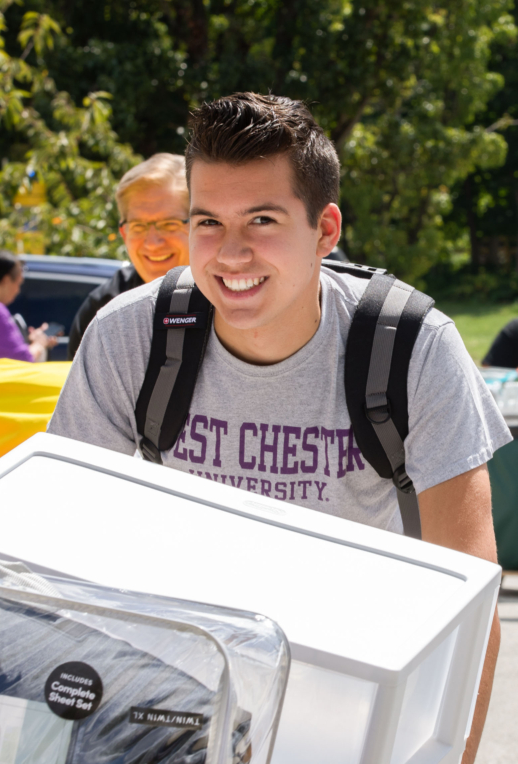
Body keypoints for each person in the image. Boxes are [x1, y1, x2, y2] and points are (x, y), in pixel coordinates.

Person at [49, 93, 511, 763]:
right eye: (208, 221)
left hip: (344, 700)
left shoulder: (410, 347)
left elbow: (470, 598)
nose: (229, 254)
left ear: (325, 230)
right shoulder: (132, 336)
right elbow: (59, 555)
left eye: (261, 220)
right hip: (168, 699)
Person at [67, 153, 189, 359]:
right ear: (124, 233)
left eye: (170, 224)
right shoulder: (102, 312)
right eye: (138, 226)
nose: (152, 243)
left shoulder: (236, 299)